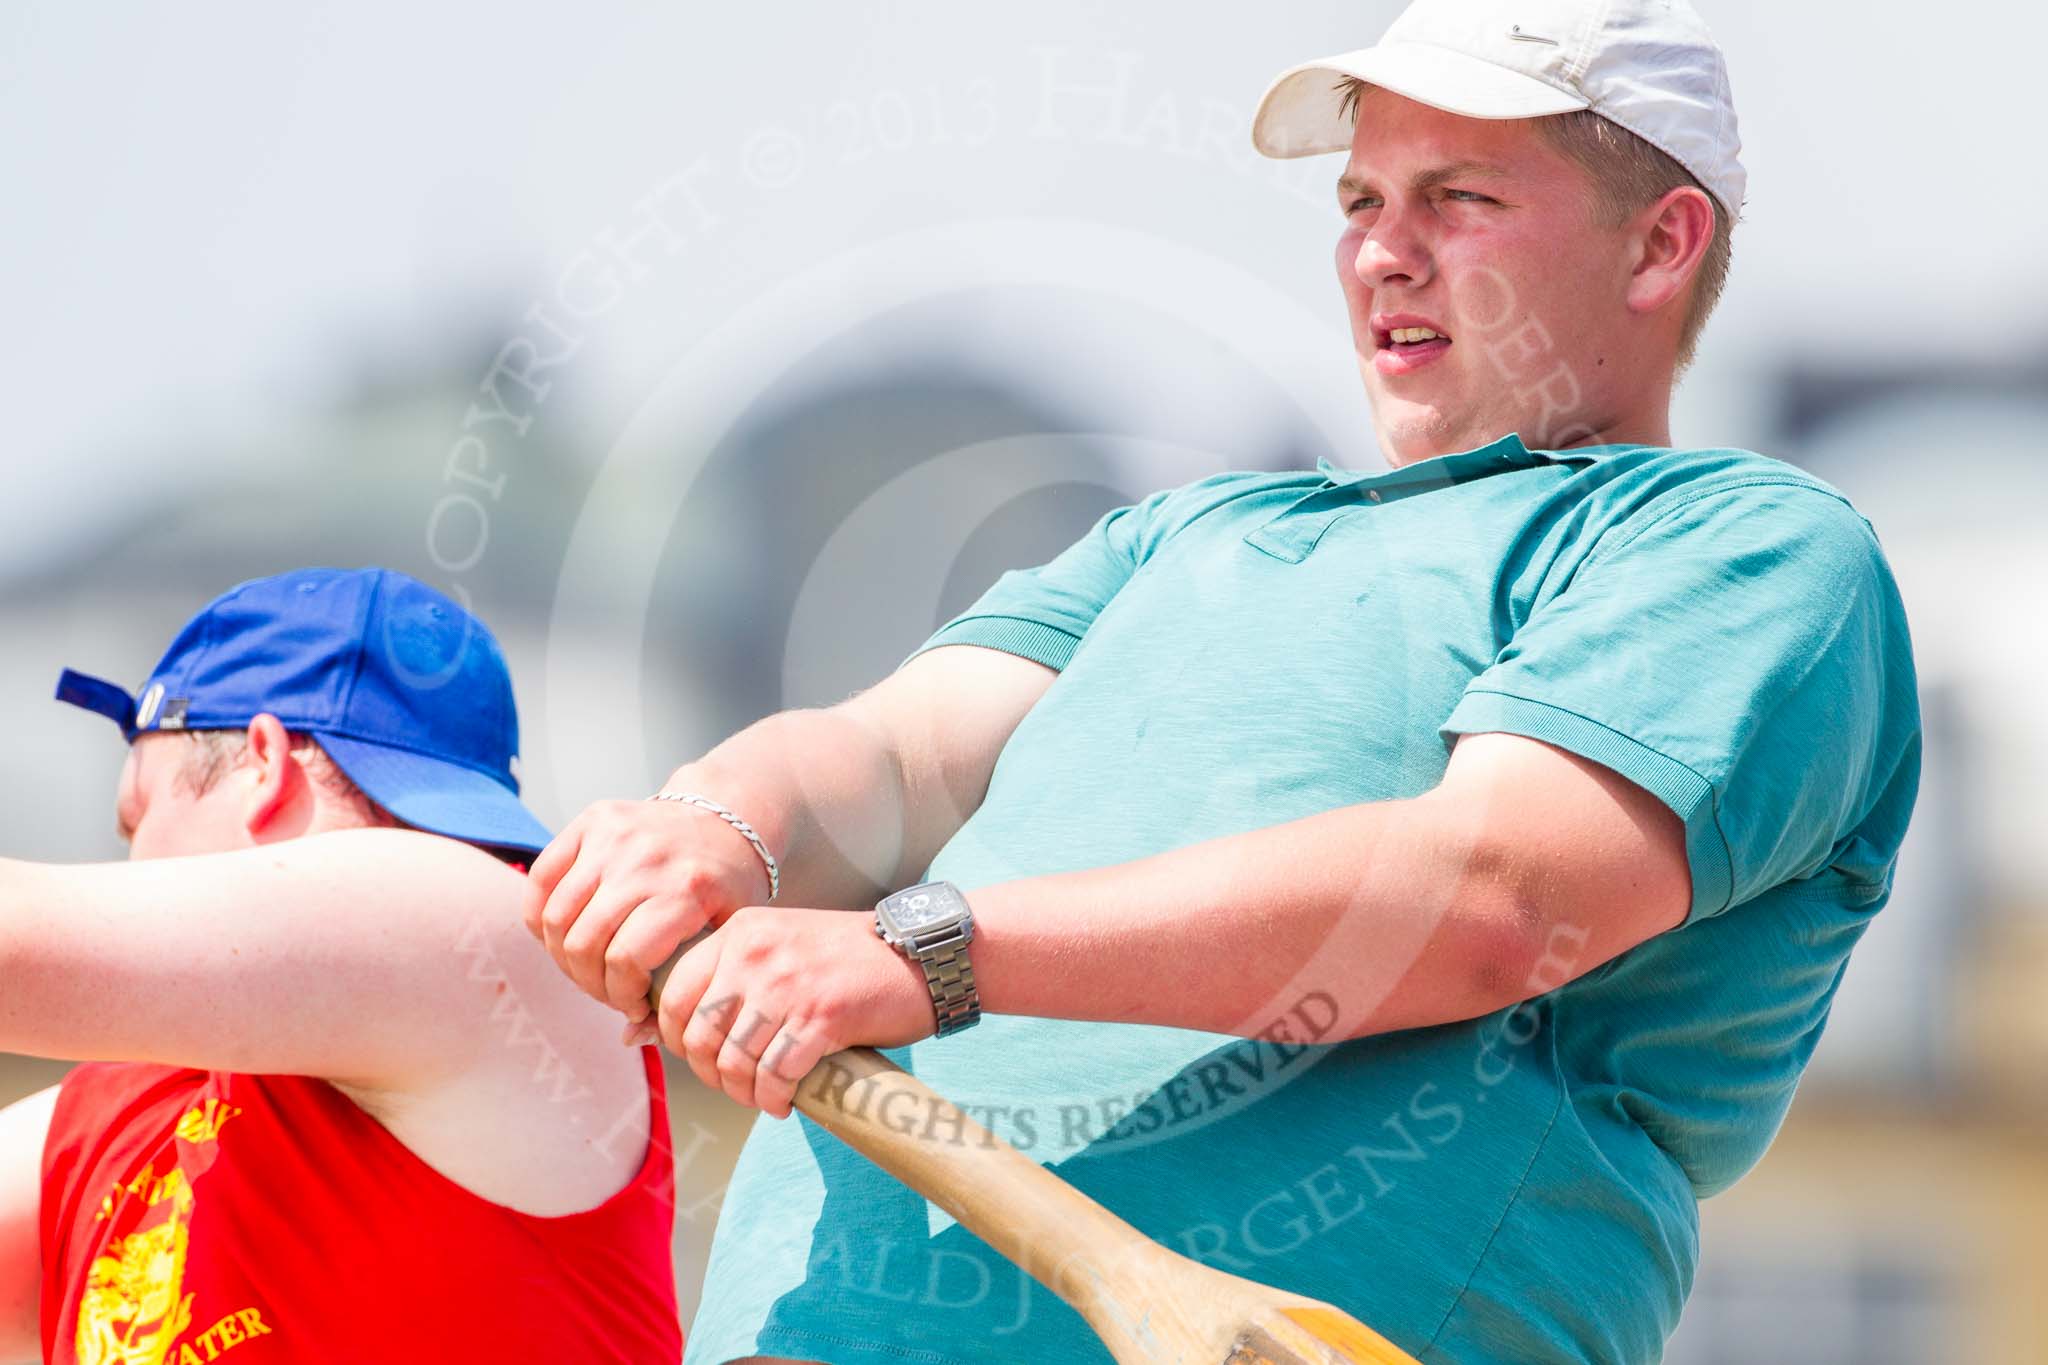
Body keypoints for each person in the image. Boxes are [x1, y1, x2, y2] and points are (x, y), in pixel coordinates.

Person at [527, 1, 1921, 1360]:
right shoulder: (1190, 533)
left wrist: (922, 955)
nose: (1384, 252)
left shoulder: (1744, 545)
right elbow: (890, 762)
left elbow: (1494, 896)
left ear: (1661, 244)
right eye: (1361, 201)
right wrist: (717, 829)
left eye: (1458, 197)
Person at [0, 568, 681, 1365]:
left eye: (137, 816)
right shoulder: (139, 1104)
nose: (129, 863)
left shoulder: (473, 927)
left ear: (264, 767)